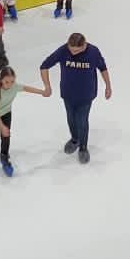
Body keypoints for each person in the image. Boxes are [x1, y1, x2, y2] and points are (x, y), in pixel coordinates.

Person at [38, 31, 111, 163]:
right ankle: (74, 139)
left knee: (82, 120)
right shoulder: (63, 50)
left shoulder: (93, 52)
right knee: (71, 118)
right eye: (71, 50)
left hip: (86, 95)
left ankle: (83, 147)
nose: (73, 54)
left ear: (84, 45)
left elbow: (103, 68)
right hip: (68, 94)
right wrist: (47, 86)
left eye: (76, 51)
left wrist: (108, 86)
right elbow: (44, 66)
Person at [0, 63, 46, 177]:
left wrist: (42, 92)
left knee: (6, 136)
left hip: (6, 113)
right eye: (6, 82)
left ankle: (4, 158)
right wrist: (2, 126)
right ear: (1, 80)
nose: (9, 85)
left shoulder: (14, 86)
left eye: (12, 81)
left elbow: (26, 88)